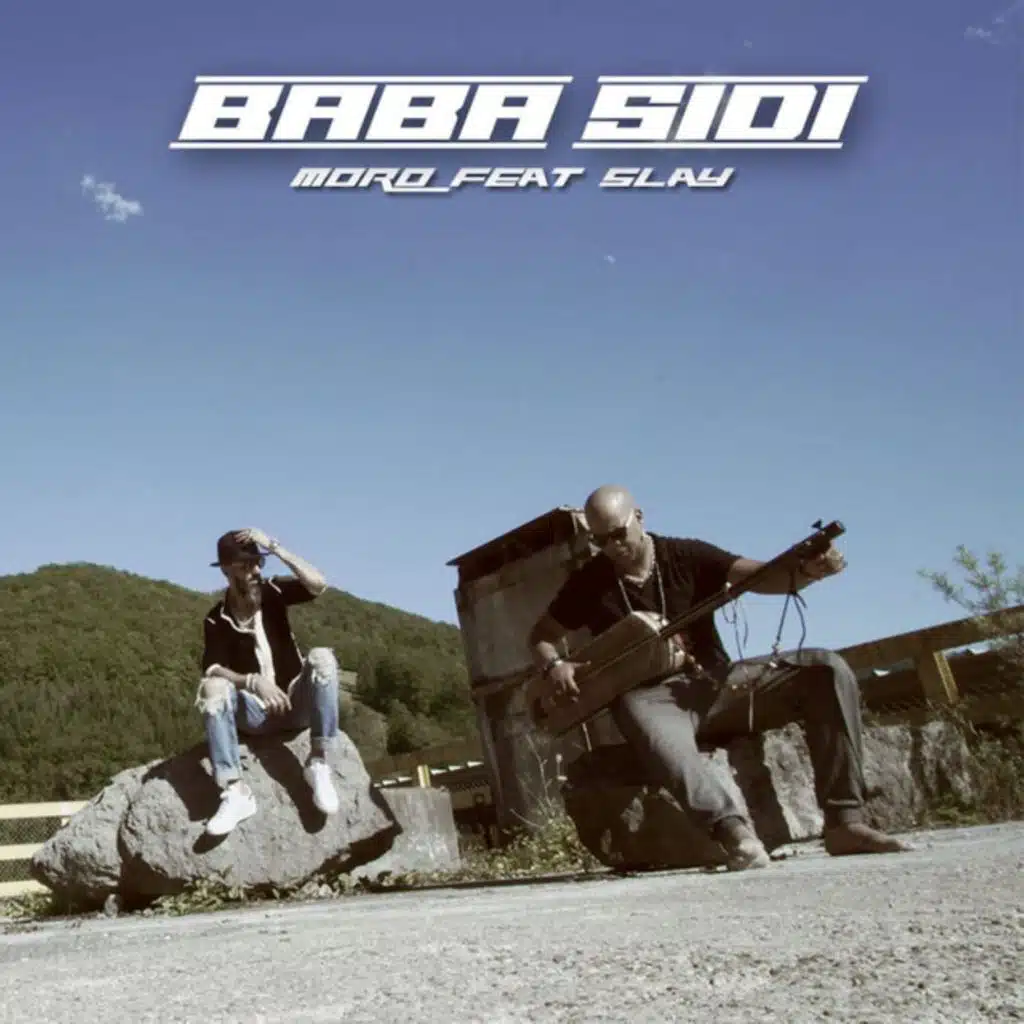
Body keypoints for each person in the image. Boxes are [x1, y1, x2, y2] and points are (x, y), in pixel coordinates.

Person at [528, 485, 913, 871]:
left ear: (639, 517)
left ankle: (845, 823)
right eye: (600, 540)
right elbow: (542, 635)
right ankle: (735, 835)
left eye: (618, 533)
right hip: (654, 703)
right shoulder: (589, 581)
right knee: (630, 707)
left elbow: (761, 576)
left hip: (719, 686)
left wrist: (807, 572)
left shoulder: (686, 554)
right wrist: (554, 665)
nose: (613, 547)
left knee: (825, 668)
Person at [195, 527, 343, 836]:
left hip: (296, 703)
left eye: (258, 563)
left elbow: (318, 584)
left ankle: (319, 763)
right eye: (246, 566)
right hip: (256, 715)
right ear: (226, 570)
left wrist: (274, 547)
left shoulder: (274, 591)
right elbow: (212, 668)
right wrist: (252, 682)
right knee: (212, 688)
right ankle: (235, 791)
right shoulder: (216, 618)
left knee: (322, 658)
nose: (255, 572)